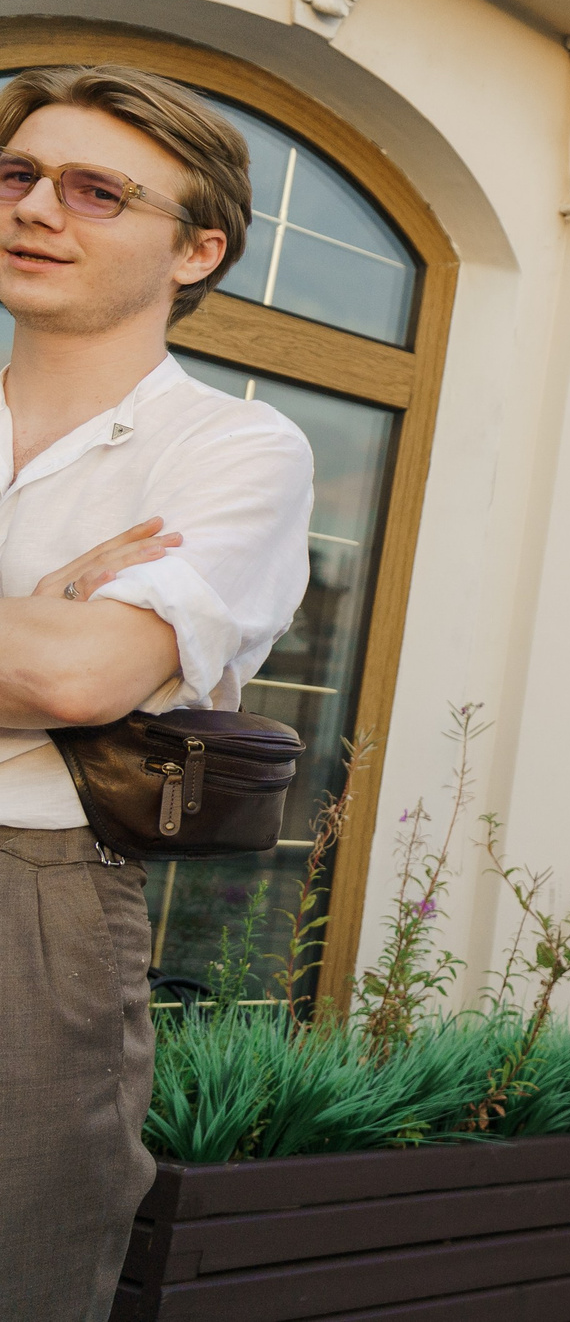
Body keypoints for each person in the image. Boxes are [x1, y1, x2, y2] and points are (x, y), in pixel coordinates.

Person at [0, 66, 315, 1319]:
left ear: (197, 249)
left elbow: (85, 673)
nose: (35, 209)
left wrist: (64, 646)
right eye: (17, 175)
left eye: (93, 191)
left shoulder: (234, 450)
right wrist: (40, 617)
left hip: (32, 897)